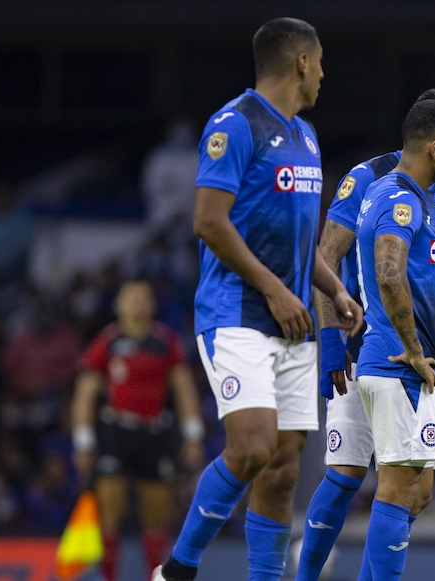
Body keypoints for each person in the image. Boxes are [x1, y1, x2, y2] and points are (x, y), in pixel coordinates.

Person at [154, 17, 363, 581]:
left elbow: (298, 238)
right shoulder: (235, 124)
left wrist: (334, 288)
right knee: (251, 448)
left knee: (282, 466)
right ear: (301, 63)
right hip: (237, 313)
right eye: (320, 62)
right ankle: (178, 568)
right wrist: (274, 290)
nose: (323, 75)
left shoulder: (306, 135)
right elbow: (208, 221)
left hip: (293, 321)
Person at [297, 89, 435, 581]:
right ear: (433, 138)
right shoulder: (369, 178)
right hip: (368, 344)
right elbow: (327, 258)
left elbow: (432, 279)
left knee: (418, 489)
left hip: (410, 350)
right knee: (349, 473)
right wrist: (330, 342)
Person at [351, 99, 435, 581]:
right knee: (398, 490)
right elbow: (388, 271)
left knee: (417, 493)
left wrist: (432, 357)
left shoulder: (417, 198)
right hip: (395, 360)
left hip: (411, 364)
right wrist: (415, 348)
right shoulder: (397, 197)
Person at [71, 279, 205, 581]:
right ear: (118, 305)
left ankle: (153, 577)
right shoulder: (107, 342)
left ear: (153, 305)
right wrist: (83, 443)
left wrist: (193, 435)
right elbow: (85, 394)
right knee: (110, 511)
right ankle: (108, 577)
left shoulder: (166, 342)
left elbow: (183, 390)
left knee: (157, 514)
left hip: (154, 435)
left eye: (143, 298)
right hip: (116, 433)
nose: (137, 304)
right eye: (130, 298)